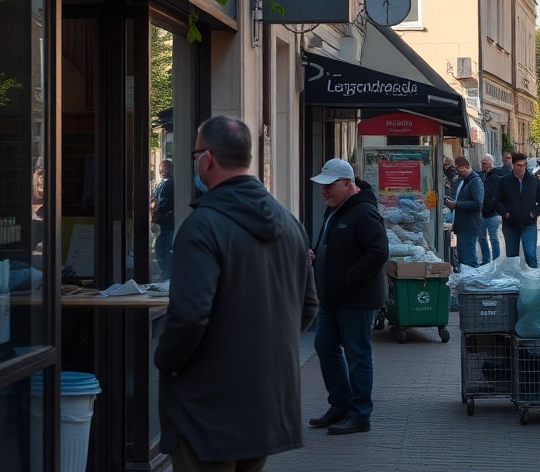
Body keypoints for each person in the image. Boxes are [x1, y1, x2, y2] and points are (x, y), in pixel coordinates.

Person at [155, 116, 317, 472]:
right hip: (265, 402)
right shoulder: (290, 223)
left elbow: (190, 316)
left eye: (194, 154)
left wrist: (165, 361)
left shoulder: (202, 226)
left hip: (207, 407)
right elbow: (308, 306)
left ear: (206, 159)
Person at [309, 158, 389, 435]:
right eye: (322, 186)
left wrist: (347, 278)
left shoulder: (363, 212)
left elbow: (378, 253)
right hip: (332, 297)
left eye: (329, 186)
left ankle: (360, 414)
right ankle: (340, 406)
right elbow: (334, 245)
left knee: (357, 354)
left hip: (356, 298)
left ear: (347, 184)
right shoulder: (336, 209)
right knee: (325, 346)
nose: (324, 191)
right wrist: (317, 253)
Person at [493, 152, 540, 268]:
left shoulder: (533, 180)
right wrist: (505, 213)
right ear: (513, 165)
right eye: (519, 165)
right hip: (510, 225)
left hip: (529, 223)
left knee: (530, 255)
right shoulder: (504, 181)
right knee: (512, 258)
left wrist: (533, 214)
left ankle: (534, 281)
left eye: (524, 165)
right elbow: (496, 200)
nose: (522, 168)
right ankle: (514, 282)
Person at [443, 156, 484, 268]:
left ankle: (473, 281)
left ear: (465, 167)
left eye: (458, 169)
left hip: (469, 226)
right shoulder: (465, 181)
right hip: (462, 226)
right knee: (463, 259)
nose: (456, 172)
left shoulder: (475, 181)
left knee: (469, 259)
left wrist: (455, 205)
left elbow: (477, 203)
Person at [150, 158, 174, 280]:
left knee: (163, 248)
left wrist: (156, 216)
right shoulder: (162, 184)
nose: (164, 171)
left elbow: (165, 204)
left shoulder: (169, 184)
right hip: (163, 223)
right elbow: (154, 199)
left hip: (167, 222)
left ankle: (168, 273)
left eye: (166, 168)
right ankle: (167, 273)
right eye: (163, 168)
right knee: (161, 248)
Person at [477, 154, 502, 264]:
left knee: (493, 238)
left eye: (486, 163)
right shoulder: (478, 177)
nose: (484, 165)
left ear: (491, 164)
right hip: (480, 213)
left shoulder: (497, 178)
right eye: (482, 163)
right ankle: (486, 259)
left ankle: (496, 261)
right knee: (482, 238)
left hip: (493, 213)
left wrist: (494, 206)